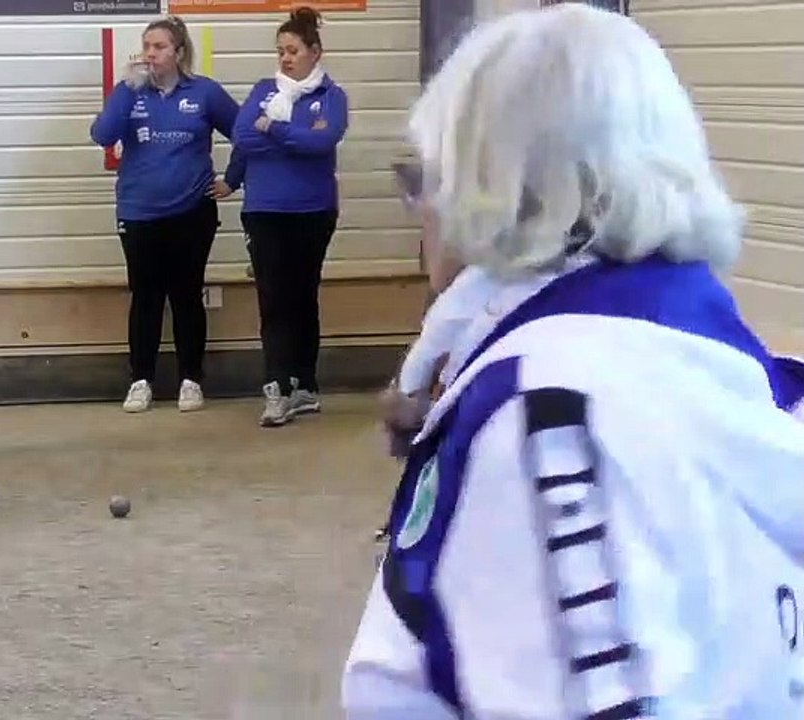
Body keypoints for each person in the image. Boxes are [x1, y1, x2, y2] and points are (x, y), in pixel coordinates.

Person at [341, 5, 804, 718]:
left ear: (494, 187)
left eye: (421, 177)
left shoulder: (552, 415)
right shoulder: (705, 358)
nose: (419, 210)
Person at [89, 15, 245, 414]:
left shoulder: (205, 93)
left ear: (178, 52)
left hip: (191, 211)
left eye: (159, 47)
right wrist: (126, 88)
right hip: (139, 212)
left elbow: (246, 133)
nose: (150, 54)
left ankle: (191, 379)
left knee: (187, 294)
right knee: (145, 296)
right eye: (146, 46)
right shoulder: (130, 93)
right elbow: (102, 135)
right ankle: (140, 380)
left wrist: (232, 179)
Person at [231, 6, 349, 427]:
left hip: (313, 210)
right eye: (280, 51)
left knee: (302, 296)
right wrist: (286, 136)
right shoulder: (264, 90)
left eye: (293, 50)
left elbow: (323, 143)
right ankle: (277, 387)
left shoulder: (331, 97)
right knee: (274, 298)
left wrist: (275, 130)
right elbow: (244, 136)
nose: (285, 58)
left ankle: (306, 385)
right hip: (264, 210)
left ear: (314, 52)